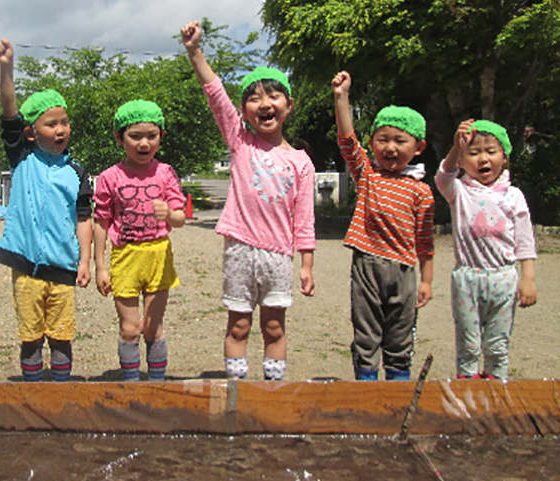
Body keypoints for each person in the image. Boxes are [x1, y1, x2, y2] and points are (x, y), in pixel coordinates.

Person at [182, 21, 316, 381]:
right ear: (243, 111)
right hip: (240, 249)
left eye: (273, 96)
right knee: (239, 326)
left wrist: (306, 264)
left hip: (278, 256)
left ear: (289, 104)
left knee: (274, 327)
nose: (264, 104)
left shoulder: (301, 162)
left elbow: (304, 217)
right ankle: (237, 391)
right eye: (253, 98)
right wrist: (195, 52)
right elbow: (215, 94)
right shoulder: (241, 141)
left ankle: (272, 391)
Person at [0, 39, 93, 382]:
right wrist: (6, 68)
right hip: (25, 264)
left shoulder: (77, 172)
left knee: (62, 335)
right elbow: (9, 107)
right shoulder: (22, 158)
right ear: (31, 133)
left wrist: (84, 260)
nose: (60, 129)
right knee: (31, 335)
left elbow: (84, 218)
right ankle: (33, 392)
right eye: (51, 124)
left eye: (63, 122)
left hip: (62, 265)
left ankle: (60, 390)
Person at [332, 71, 435, 381]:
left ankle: (398, 388)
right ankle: (366, 386)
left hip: (403, 270)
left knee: (400, 334)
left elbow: (425, 242)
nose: (390, 147)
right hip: (366, 263)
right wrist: (341, 98)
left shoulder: (421, 191)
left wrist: (426, 281)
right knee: (366, 331)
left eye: (400, 141)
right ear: (373, 143)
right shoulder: (367, 174)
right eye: (382, 139)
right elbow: (347, 140)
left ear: (418, 147)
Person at [436, 119, 537, 379]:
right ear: (462, 161)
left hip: (504, 279)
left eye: (491, 151)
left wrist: (528, 278)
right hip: (467, 279)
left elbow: (525, 241)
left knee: (497, 347)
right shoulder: (458, 191)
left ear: (504, 158)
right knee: (468, 347)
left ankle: (494, 399)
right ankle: (468, 400)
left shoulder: (513, 196)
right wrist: (455, 148)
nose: (483, 159)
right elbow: (443, 176)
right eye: (473, 152)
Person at [93, 100, 185, 381]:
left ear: (161, 136)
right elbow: (101, 221)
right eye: (135, 136)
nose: (144, 143)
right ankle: (132, 388)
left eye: (152, 136)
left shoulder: (166, 172)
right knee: (130, 328)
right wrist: (100, 266)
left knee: (152, 327)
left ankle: (157, 389)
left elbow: (180, 219)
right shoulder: (110, 177)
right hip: (126, 256)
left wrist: (169, 213)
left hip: (159, 255)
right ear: (119, 138)